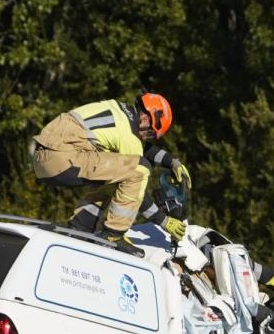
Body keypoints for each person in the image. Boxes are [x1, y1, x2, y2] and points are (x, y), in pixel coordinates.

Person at [32, 93, 190, 256]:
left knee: (113, 174)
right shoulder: (129, 135)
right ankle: (113, 234)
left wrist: (172, 161)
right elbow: (137, 193)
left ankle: (80, 226)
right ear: (146, 119)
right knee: (140, 169)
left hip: (45, 157)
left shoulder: (119, 111)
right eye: (150, 133)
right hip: (62, 157)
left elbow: (141, 147)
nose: (147, 138)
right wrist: (163, 220)